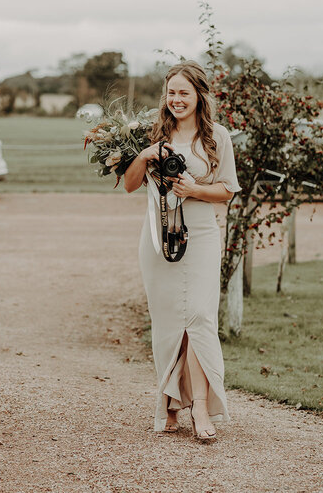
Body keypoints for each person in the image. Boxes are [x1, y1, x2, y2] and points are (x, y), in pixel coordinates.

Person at [123, 61, 240, 443]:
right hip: (158, 235)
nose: (176, 99)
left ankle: (201, 407)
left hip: (202, 235)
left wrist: (194, 191)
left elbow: (226, 190)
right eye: (171, 92)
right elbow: (129, 185)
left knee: (200, 318)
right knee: (170, 322)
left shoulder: (216, 137)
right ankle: (170, 404)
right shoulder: (152, 132)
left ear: (199, 95)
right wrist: (143, 155)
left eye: (183, 93)